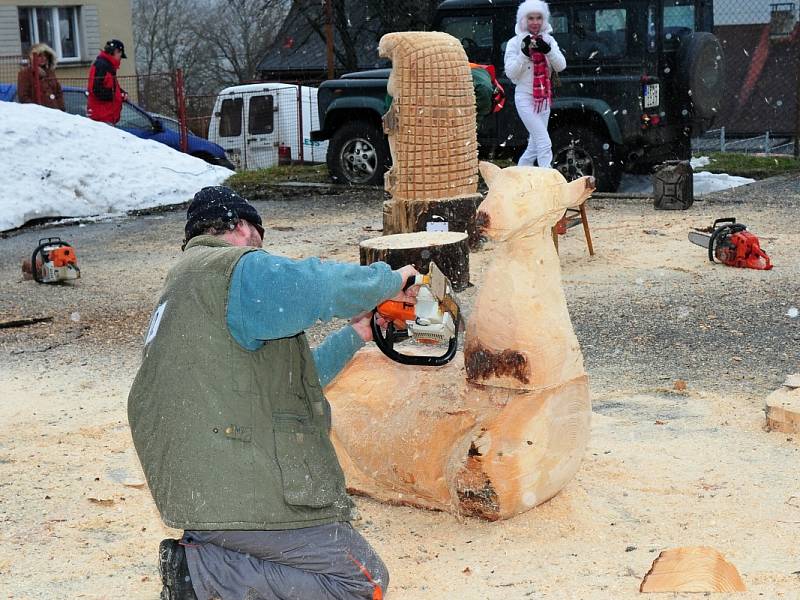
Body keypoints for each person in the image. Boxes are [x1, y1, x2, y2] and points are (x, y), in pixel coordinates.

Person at [128, 186, 419, 600]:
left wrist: (358, 333)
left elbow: (293, 381)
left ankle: (210, 564)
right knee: (361, 581)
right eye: (260, 242)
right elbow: (314, 285)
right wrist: (387, 281)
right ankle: (201, 574)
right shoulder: (229, 268)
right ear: (243, 227)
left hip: (201, 486)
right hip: (234, 490)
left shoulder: (187, 288)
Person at [504, 0, 566, 168]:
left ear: (544, 20)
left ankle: (518, 180)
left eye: (539, 18)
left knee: (533, 147)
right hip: (524, 97)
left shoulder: (549, 41)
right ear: (523, 20)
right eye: (531, 18)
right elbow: (511, 73)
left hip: (544, 98)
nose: (535, 22)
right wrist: (524, 54)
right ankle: (550, 182)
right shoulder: (514, 43)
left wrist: (548, 51)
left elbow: (561, 65)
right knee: (544, 141)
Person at [87, 39, 128, 124]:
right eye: (120, 55)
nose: (120, 59)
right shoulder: (102, 66)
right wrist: (116, 95)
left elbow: (112, 87)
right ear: (116, 51)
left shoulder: (107, 66)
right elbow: (96, 90)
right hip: (102, 118)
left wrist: (121, 92)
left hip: (106, 116)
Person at [17, 43, 64, 111]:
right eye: (40, 56)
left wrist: (61, 108)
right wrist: (37, 110)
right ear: (33, 57)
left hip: (55, 111)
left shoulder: (50, 72)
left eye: (45, 56)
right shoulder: (25, 73)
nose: (43, 58)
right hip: (38, 114)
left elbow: (58, 92)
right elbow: (23, 97)